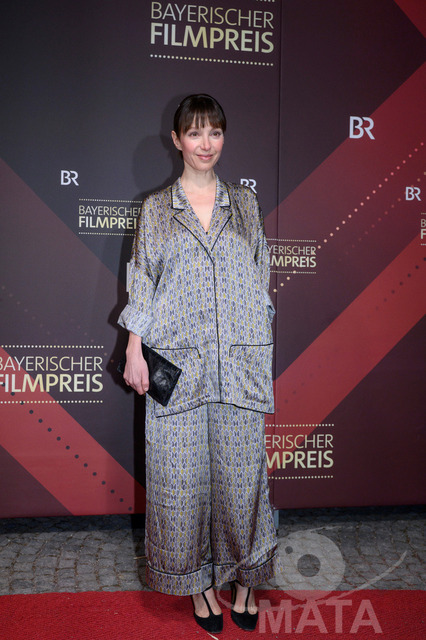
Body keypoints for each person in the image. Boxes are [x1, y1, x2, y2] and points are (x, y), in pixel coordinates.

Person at [118, 94, 277, 633]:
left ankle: (246, 579)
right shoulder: (156, 209)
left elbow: (260, 277)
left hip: (238, 365)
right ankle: (198, 585)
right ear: (177, 140)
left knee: (242, 480)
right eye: (195, 132)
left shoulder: (246, 204)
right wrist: (135, 348)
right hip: (176, 365)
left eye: (215, 132)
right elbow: (143, 279)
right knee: (179, 484)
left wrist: (256, 339)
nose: (205, 144)